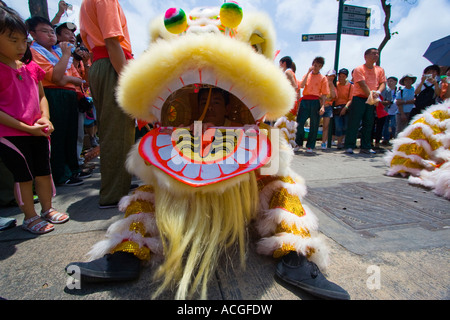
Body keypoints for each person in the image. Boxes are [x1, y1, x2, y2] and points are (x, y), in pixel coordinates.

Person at [0, 6, 69, 234]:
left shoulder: (31, 67)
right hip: (11, 134)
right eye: (13, 40)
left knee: (44, 171)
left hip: (39, 131)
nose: (21, 47)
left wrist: (45, 118)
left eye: (24, 40)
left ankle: (47, 209)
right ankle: (29, 217)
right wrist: (26, 128)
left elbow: (41, 96)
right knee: (24, 175)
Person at [79, 0, 136, 209]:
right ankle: (114, 194)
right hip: (111, 62)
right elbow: (112, 41)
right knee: (117, 130)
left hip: (103, 63)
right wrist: (127, 80)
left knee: (116, 129)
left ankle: (118, 184)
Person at [26, 16, 84, 186]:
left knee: (70, 134)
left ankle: (73, 170)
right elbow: (57, 78)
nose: (51, 35)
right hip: (52, 94)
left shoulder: (57, 52)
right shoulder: (35, 52)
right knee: (57, 135)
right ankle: (60, 174)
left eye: (51, 31)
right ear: (33, 34)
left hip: (70, 95)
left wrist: (68, 78)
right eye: (45, 31)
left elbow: (78, 79)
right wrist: (66, 56)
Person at [344, 48, 386, 154]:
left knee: (369, 122)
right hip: (359, 98)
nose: (376, 55)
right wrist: (372, 97)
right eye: (373, 53)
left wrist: (378, 93)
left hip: (372, 99)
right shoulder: (359, 69)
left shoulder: (380, 70)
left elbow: (383, 83)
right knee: (354, 123)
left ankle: (366, 146)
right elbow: (362, 84)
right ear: (365, 56)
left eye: (377, 54)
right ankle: (350, 146)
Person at [295, 56, 329, 154]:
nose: (316, 67)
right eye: (314, 65)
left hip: (315, 101)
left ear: (321, 67)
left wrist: (322, 106)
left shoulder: (323, 78)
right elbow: (301, 86)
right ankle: (298, 143)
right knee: (300, 123)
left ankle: (310, 146)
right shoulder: (307, 75)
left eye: (318, 66)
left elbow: (324, 94)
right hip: (305, 100)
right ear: (312, 64)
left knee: (314, 124)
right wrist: (308, 72)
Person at [333, 68, 353, 149]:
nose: (341, 78)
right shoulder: (336, 85)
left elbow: (351, 98)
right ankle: (339, 142)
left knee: (345, 126)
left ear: (346, 77)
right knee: (338, 125)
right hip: (337, 108)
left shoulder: (350, 86)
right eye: (339, 76)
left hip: (346, 107)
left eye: (343, 76)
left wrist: (346, 107)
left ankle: (344, 141)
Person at [380, 76, 398, 145]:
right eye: (388, 81)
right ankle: (385, 139)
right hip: (386, 111)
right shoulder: (385, 90)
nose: (390, 83)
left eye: (391, 81)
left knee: (393, 125)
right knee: (385, 125)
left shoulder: (399, 90)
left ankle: (394, 137)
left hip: (395, 111)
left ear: (395, 82)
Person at [321, 70, 336, 149]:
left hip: (328, 107)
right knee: (315, 124)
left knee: (326, 126)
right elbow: (320, 96)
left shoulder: (332, 85)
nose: (331, 77)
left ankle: (324, 142)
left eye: (333, 76)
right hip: (320, 106)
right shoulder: (322, 82)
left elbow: (333, 96)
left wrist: (331, 85)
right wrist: (327, 98)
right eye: (330, 75)